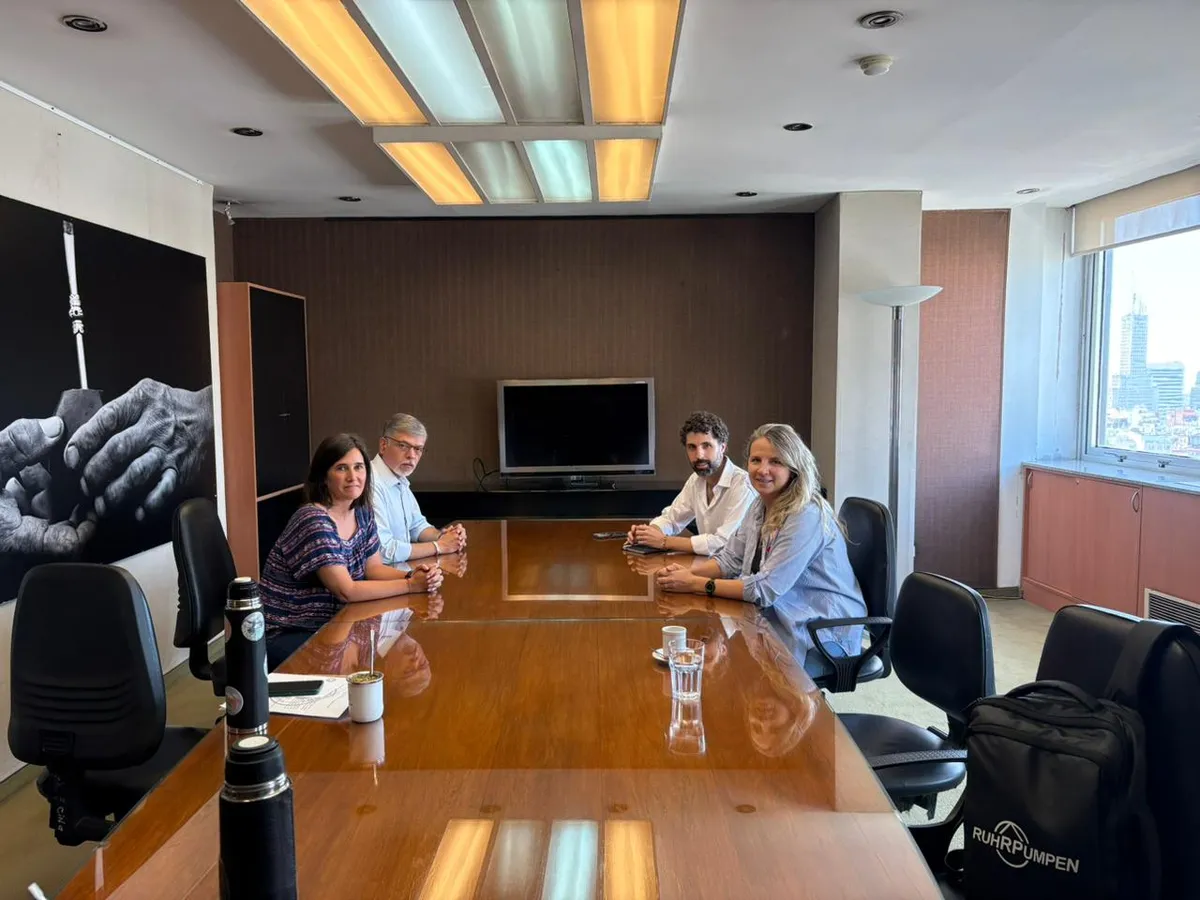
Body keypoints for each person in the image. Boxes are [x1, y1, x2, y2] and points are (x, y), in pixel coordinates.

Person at [655, 423, 866, 675]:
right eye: (756, 460)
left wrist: (695, 584)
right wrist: (682, 576)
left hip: (820, 633)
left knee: (733, 673)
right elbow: (729, 560)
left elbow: (764, 590)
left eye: (775, 461)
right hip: (777, 617)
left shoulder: (805, 514)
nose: (762, 470)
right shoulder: (760, 505)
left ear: (794, 468)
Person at [261, 433, 443, 670]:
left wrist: (415, 575)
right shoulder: (314, 520)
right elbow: (346, 590)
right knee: (359, 670)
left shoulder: (362, 513)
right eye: (341, 468)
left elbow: (373, 569)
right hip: (289, 630)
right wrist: (411, 586)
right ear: (323, 477)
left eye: (358, 467)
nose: (353, 476)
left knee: (368, 654)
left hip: (334, 624)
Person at [627, 411, 754, 555]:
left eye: (706, 446)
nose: (699, 455)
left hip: (735, 569)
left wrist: (664, 541)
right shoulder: (696, 480)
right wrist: (647, 534)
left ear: (722, 447)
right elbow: (671, 519)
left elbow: (724, 543)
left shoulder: (743, 486)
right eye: (692, 447)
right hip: (707, 564)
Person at [369, 413, 466, 564]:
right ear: (383, 445)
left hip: (400, 569)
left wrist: (445, 536)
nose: (411, 455)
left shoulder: (399, 479)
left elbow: (417, 526)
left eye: (418, 449)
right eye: (403, 446)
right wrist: (439, 546)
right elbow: (384, 551)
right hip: (378, 575)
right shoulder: (369, 483)